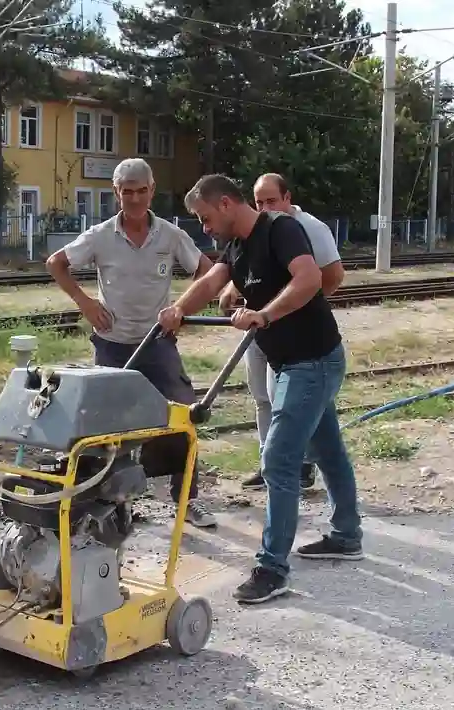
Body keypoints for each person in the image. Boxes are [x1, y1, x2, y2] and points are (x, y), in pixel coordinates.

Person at [159, 174, 363, 604]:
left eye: (206, 217)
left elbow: (308, 280)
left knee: (278, 459)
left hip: (314, 361)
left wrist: (264, 315)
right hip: (290, 361)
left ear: (228, 204)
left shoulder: (282, 229)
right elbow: (212, 282)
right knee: (327, 450)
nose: (205, 227)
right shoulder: (237, 245)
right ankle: (346, 535)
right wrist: (178, 309)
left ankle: (272, 568)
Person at [45, 157, 218, 528]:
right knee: (104, 428)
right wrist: (86, 303)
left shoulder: (170, 236)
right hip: (112, 345)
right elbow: (56, 263)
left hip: (157, 343)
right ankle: (110, 505)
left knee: (182, 416)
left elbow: (207, 271)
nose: (135, 199)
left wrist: (181, 308)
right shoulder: (100, 235)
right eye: (127, 192)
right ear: (116, 192)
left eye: (142, 191)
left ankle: (186, 500)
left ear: (152, 191)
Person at [218, 173, 345, 491]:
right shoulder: (256, 232)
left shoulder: (310, 228)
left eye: (271, 201)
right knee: (261, 395)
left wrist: (299, 305)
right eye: (259, 202)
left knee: (286, 401)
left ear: (288, 198)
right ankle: (269, 462)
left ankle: (293, 467)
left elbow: (330, 275)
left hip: (293, 334)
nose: (264, 207)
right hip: (259, 327)